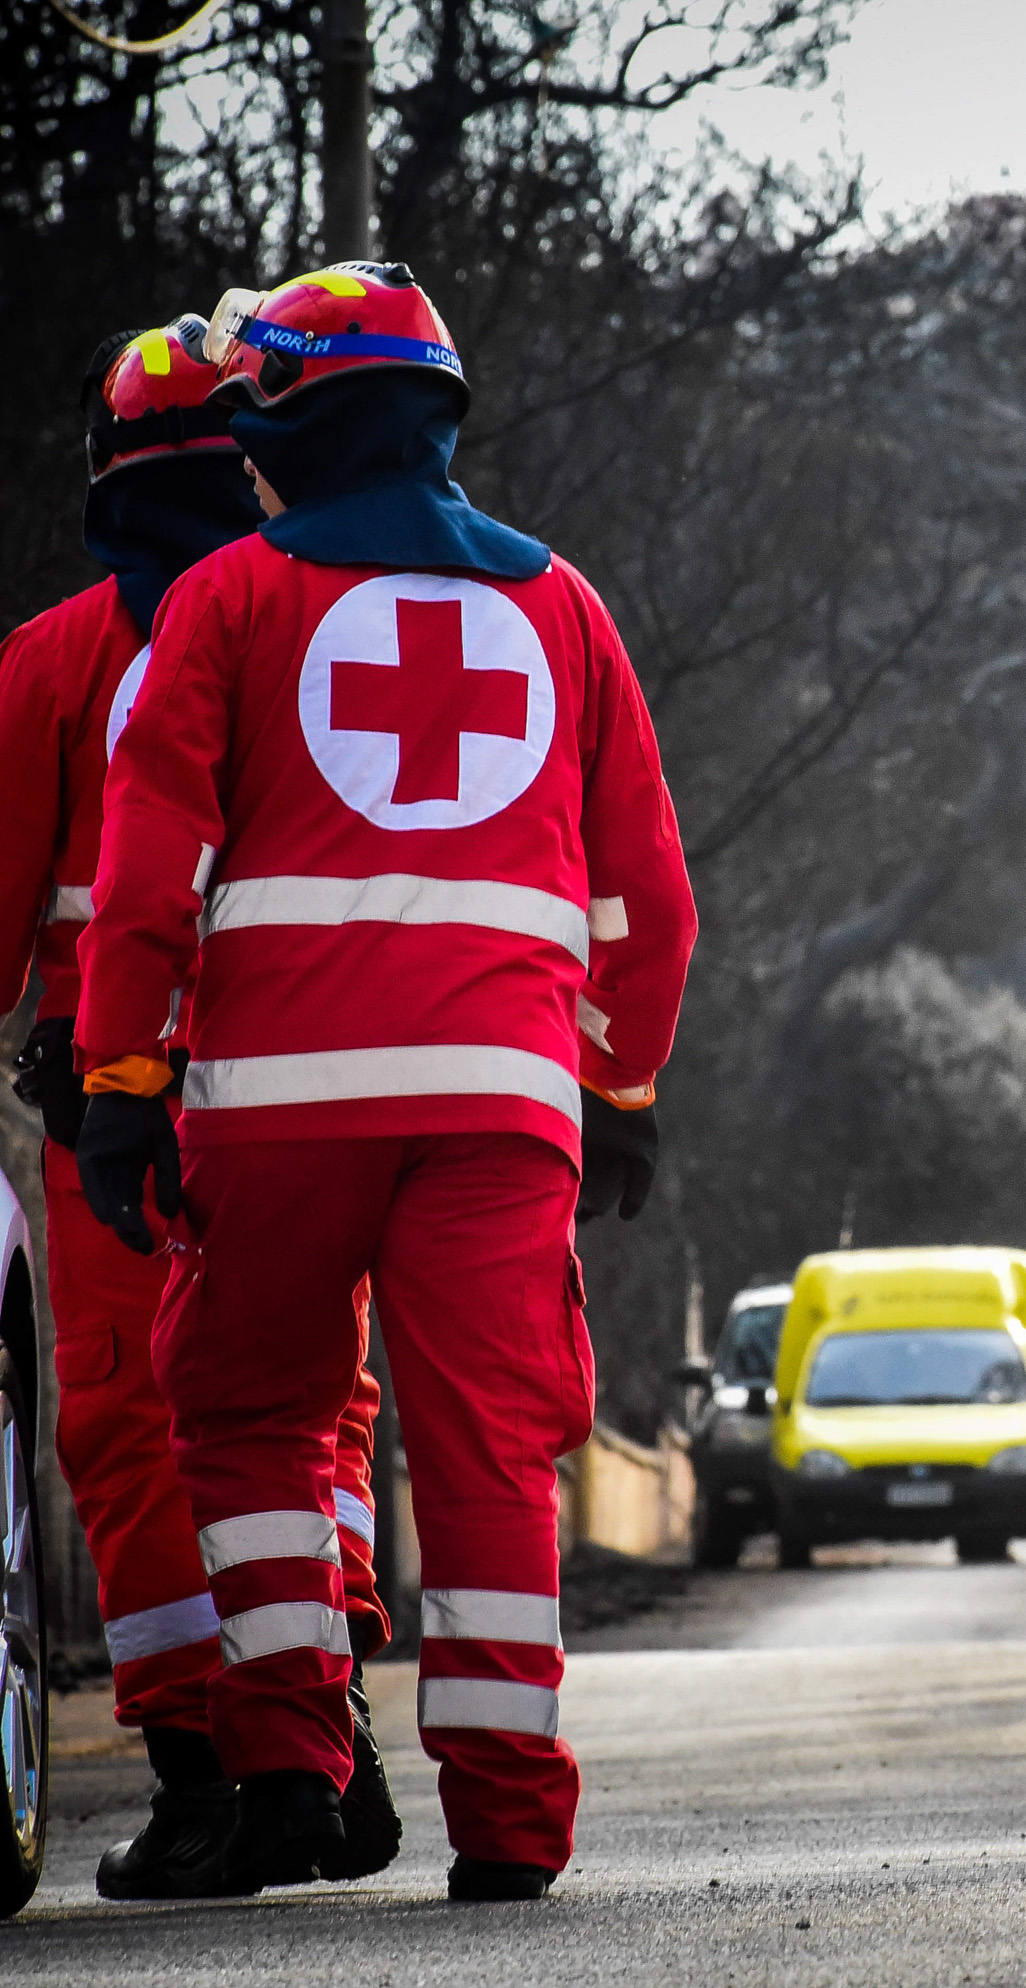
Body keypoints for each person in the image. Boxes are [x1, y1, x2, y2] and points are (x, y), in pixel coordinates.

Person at [71, 262, 698, 1903]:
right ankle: (509, 1822)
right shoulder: (561, 605)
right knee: (491, 1446)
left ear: (278, 427)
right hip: (500, 1101)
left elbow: (149, 874)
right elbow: (648, 894)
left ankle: (287, 1765)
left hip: (276, 1102)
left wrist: (123, 1075)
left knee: (257, 1412)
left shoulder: (226, 602)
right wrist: (620, 1087)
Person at [3, 313, 410, 1899]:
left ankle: (200, 1781)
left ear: (101, 473)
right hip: (292, 1088)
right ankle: (322, 1733)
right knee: (312, 1409)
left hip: (115, 1111)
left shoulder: (53, 659)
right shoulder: (328, 620)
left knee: (131, 1422)